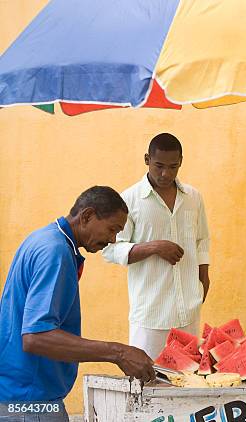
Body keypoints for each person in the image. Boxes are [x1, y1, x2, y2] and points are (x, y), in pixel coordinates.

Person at [0, 186, 155, 422]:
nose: (113, 239)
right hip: (31, 403)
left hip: (19, 395)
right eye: (112, 229)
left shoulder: (42, 238)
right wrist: (119, 352)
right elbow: (35, 337)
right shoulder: (55, 251)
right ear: (87, 216)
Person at [103, 133, 210, 360]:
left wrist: (204, 276)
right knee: (147, 384)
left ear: (181, 162)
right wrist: (153, 247)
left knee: (186, 384)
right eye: (159, 166)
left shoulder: (193, 197)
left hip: (188, 311)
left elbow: (202, 239)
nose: (165, 174)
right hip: (150, 316)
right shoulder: (128, 200)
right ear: (147, 159)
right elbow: (110, 249)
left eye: (173, 167)